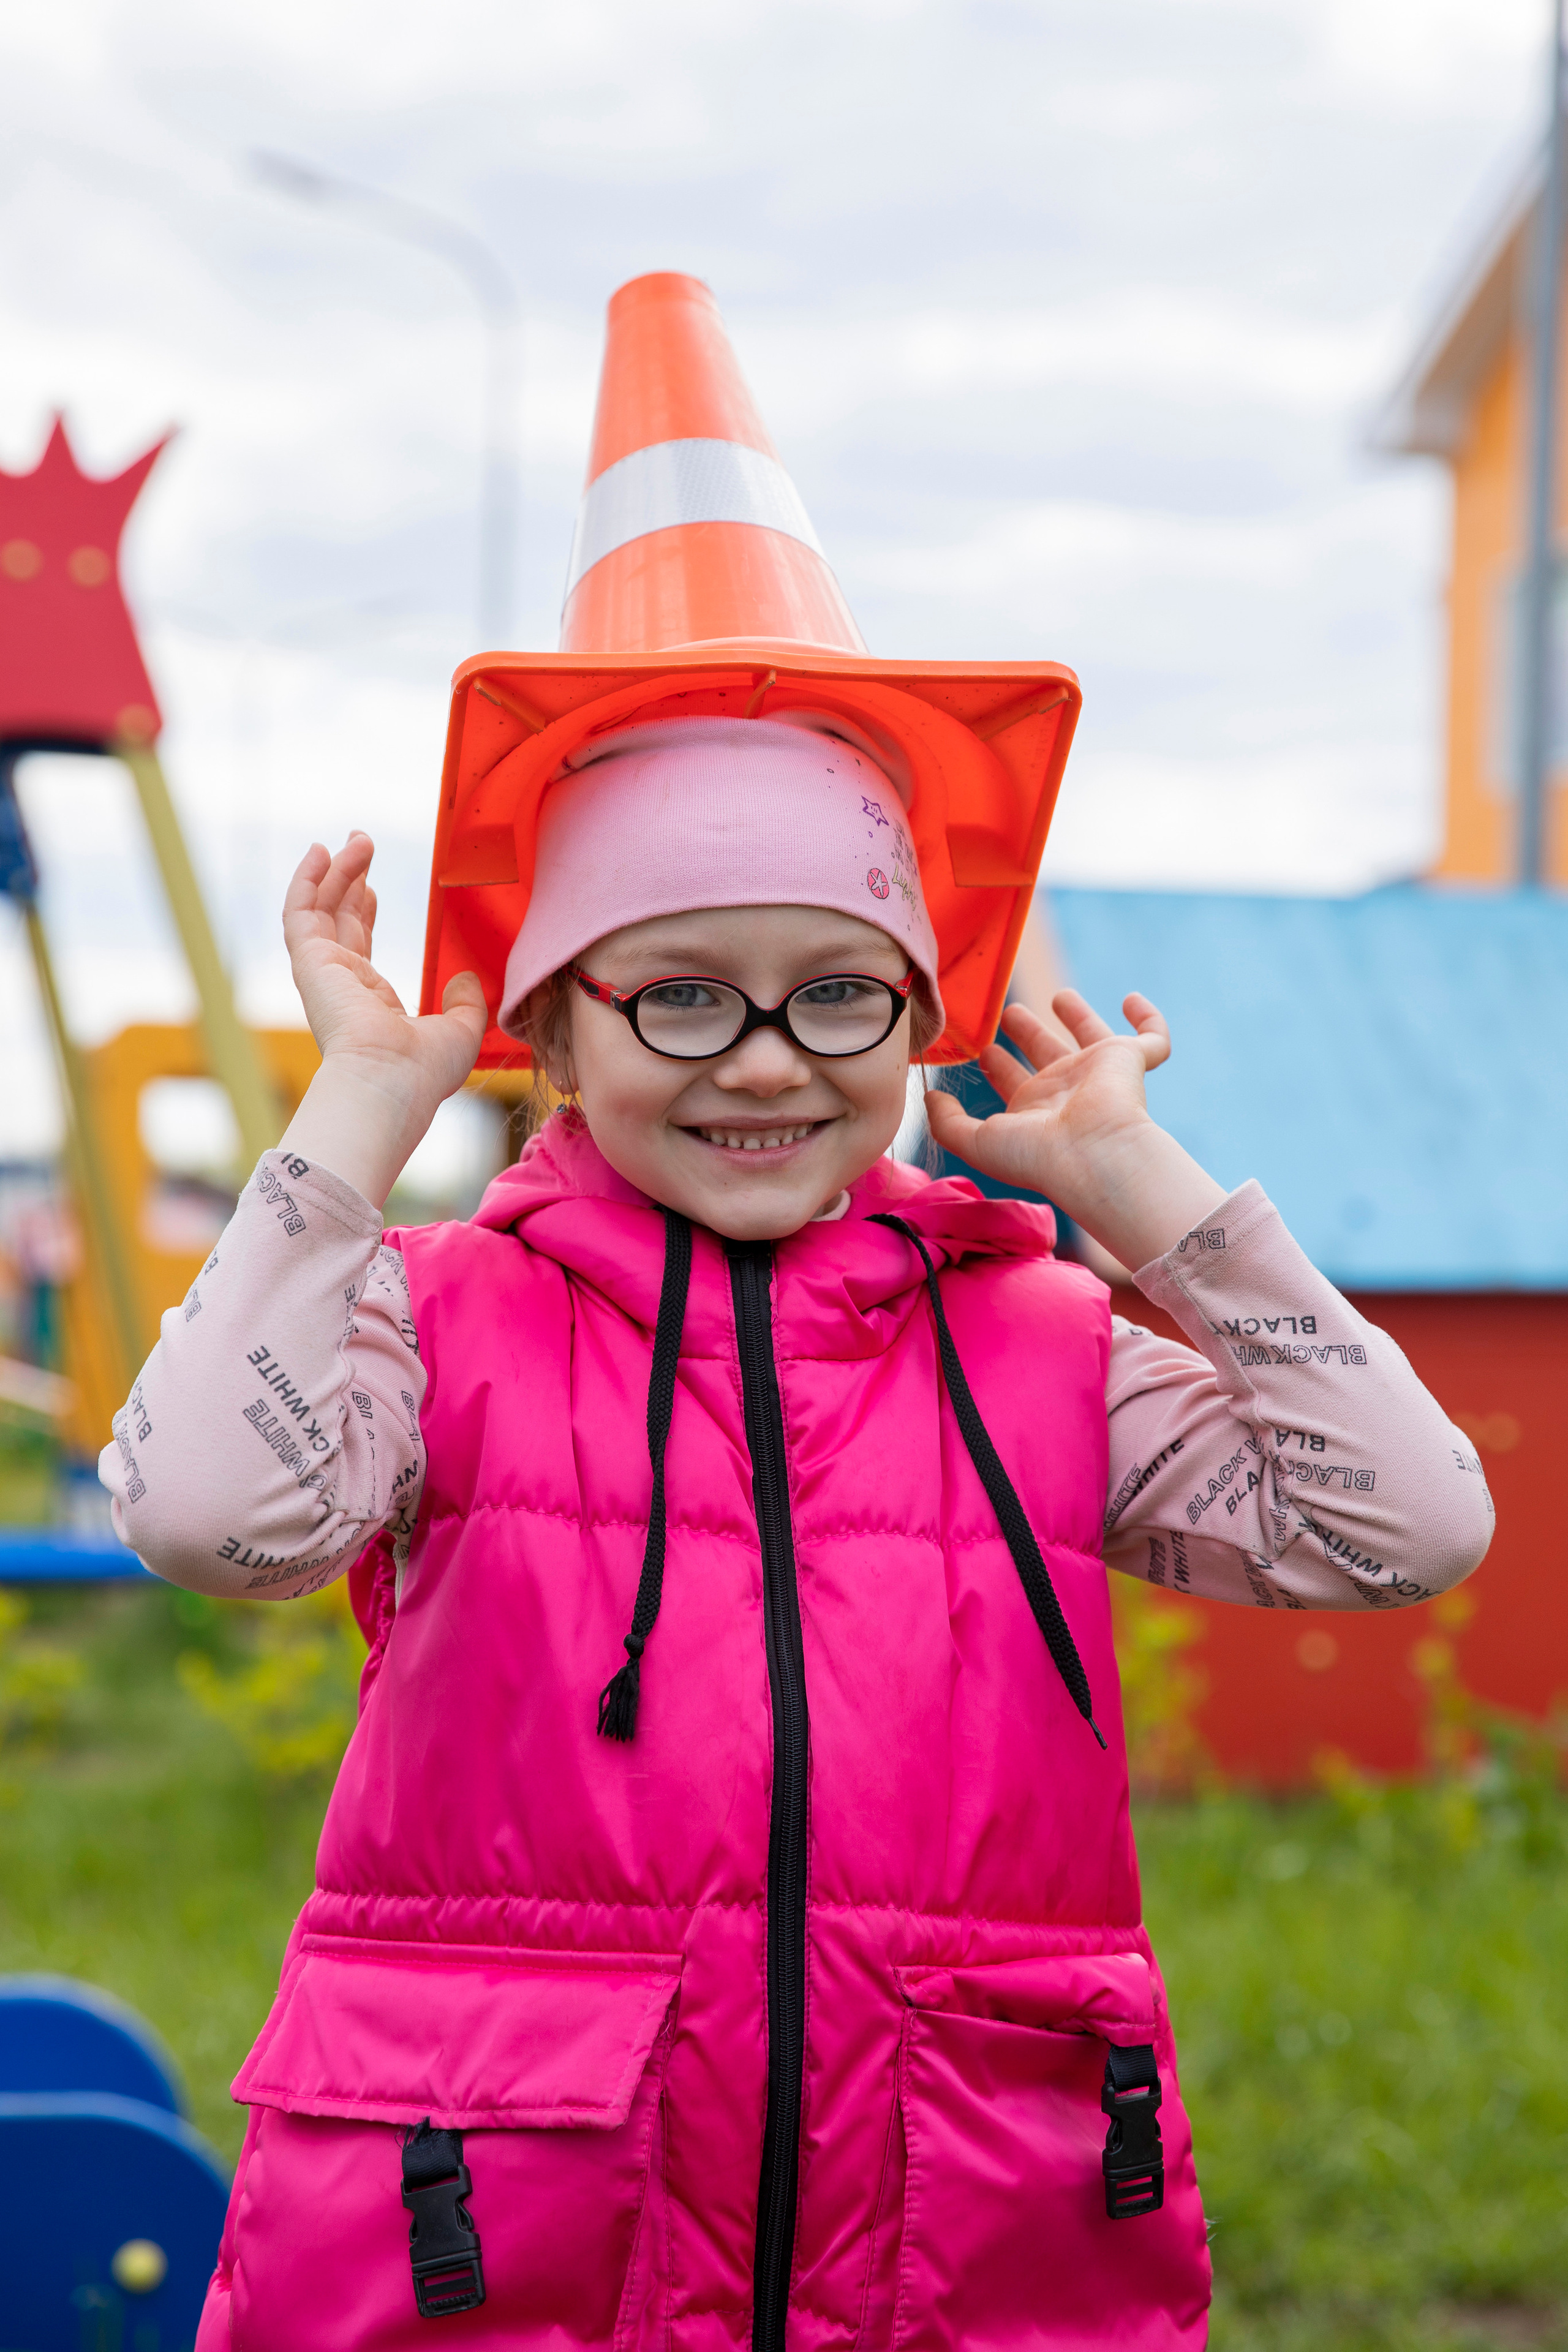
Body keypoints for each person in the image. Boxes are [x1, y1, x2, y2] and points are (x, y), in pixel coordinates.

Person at [103, 277, 1492, 2349]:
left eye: (837, 988)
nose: (766, 1059)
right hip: (507, 2253)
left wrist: (1139, 1191)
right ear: (563, 1025)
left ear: (916, 1016)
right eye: (682, 990)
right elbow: (207, 1514)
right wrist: (360, 1117)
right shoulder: (430, 1323)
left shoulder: (1037, 1352)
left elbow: (1410, 1521)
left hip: (952, 2238)